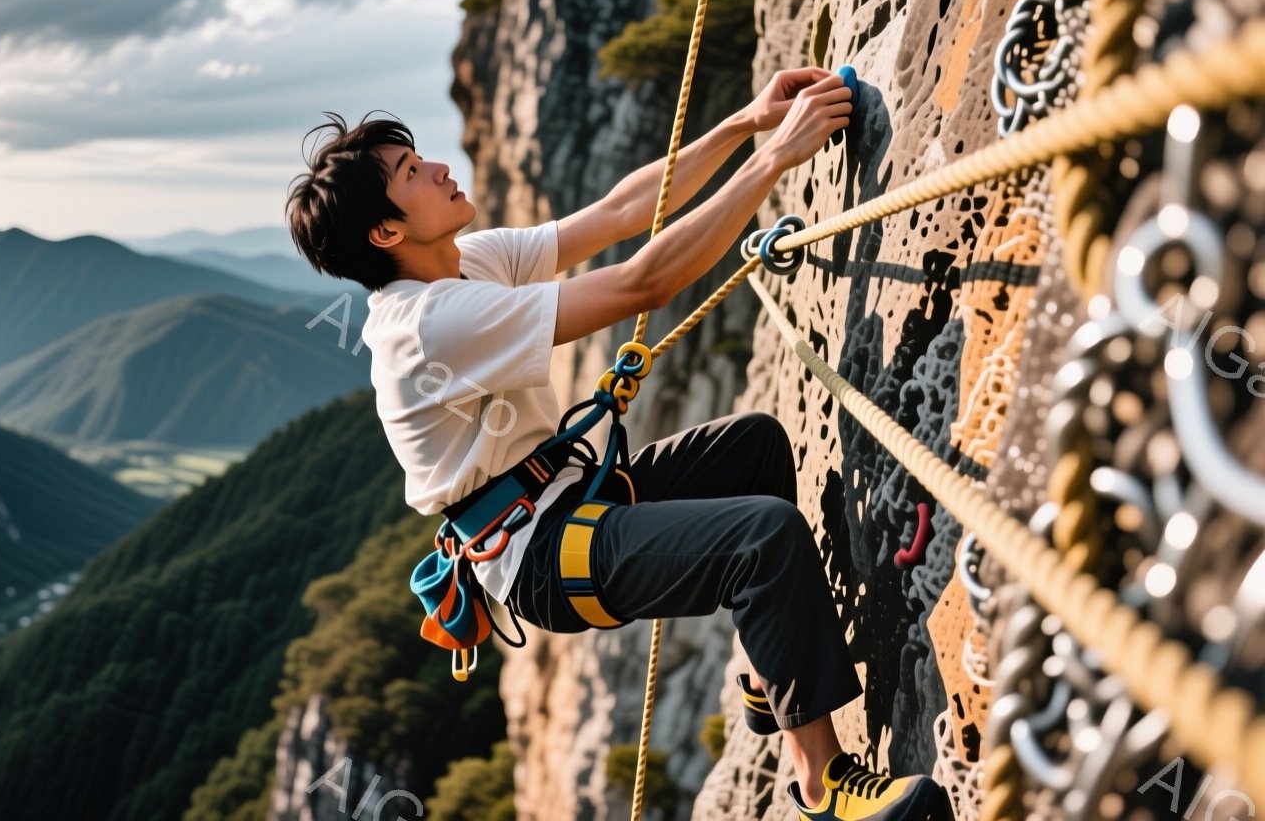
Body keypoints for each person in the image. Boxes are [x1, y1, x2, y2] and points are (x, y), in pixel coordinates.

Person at [285, 69, 952, 821]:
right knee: (763, 539)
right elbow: (645, 283)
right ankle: (822, 785)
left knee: (757, 448)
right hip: (541, 553)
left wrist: (745, 122)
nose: (439, 168)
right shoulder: (429, 324)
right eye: (412, 173)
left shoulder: (466, 261)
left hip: (570, 498)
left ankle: (778, 679)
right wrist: (773, 161)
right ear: (386, 233)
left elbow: (624, 209)